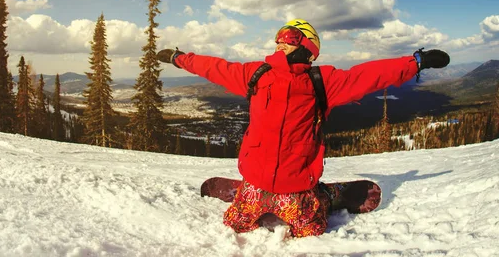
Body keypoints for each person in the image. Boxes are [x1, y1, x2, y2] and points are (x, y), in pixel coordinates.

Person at [157, 18, 450, 238]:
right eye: (278, 37)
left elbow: (370, 75)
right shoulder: (256, 74)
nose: (280, 41)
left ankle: (325, 196)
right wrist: (179, 58)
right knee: (234, 225)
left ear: (308, 46)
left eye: (290, 36)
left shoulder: (323, 81)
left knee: (311, 230)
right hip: (256, 180)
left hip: (297, 186)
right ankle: (247, 191)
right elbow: (215, 67)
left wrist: (416, 62)